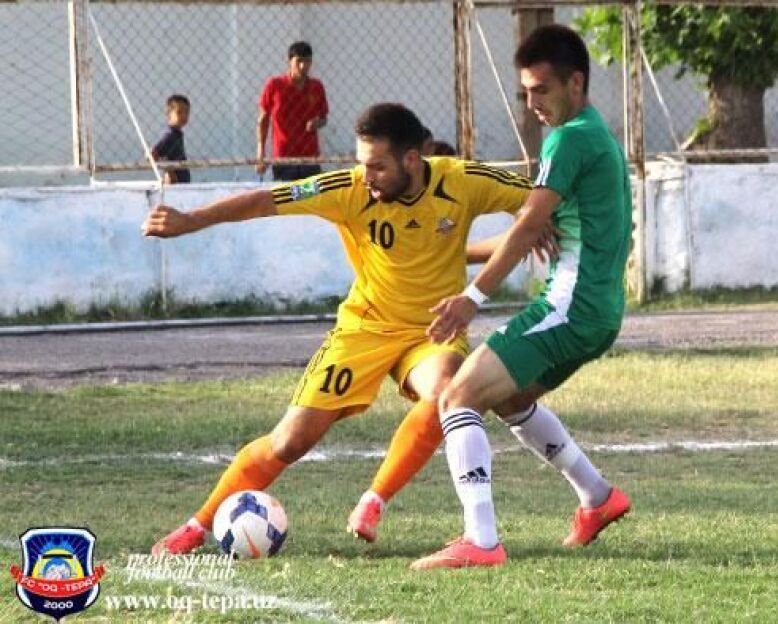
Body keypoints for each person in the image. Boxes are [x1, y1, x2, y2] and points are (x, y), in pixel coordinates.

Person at [143, 102, 534, 556]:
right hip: (364, 330)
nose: (366, 176)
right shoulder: (348, 188)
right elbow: (265, 201)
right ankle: (196, 525)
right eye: (362, 163)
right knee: (290, 442)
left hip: (432, 332)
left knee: (447, 393)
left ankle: (373, 501)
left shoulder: (462, 180)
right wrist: (191, 220)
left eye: (377, 166)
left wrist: (533, 229)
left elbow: (539, 200)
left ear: (412, 160)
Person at [409, 24, 633, 570]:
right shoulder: (594, 135)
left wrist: (470, 299)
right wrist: (456, 254)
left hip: (569, 307)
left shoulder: (569, 138)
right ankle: (598, 498)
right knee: (508, 398)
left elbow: (530, 224)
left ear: (575, 83)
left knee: (457, 396)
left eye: (542, 90)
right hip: (597, 312)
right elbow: (532, 229)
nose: (532, 103)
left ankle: (481, 540)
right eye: (525, 92)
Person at [256, 41, 329, 181]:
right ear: (289, 61)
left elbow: (324, 118)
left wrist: (317, 123)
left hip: (310, 158)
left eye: (307, 61)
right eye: (299, 61)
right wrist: (261, 152)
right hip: (284, 158)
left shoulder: (316, 87)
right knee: (286, 193)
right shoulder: (275, 86)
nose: (303, 66)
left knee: (310, 193)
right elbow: (263, 119)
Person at [151, 94, 191, 185]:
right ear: (169, 114)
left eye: (186, 112)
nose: (184, 116)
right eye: (179, 112)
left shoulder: (177, 134)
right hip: (175, 185)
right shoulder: (170, 135)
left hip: (181, 183)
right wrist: (169, 171)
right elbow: (153, 154)